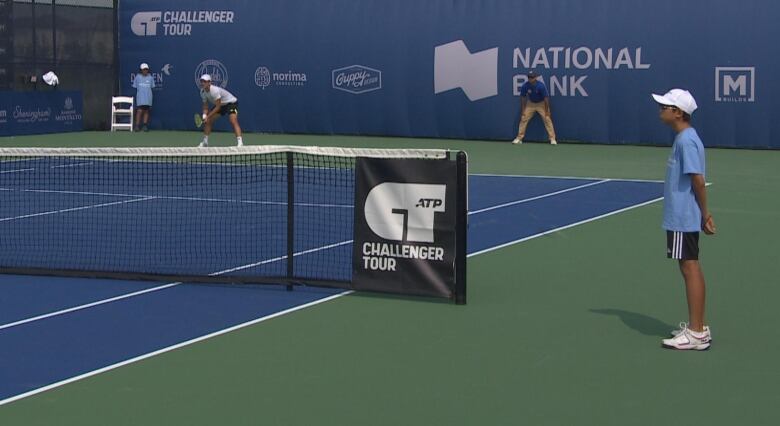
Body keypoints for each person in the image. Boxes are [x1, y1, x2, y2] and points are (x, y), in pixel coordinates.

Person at [652, 88, 716, 351]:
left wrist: (705, 214)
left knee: (689, 268)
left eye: (665, 106)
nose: (661, 110)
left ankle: (697, 332)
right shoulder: (684, 138)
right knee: (689, 267)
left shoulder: (686, 141)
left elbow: (698, 181)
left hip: (684, 216)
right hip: (682, 216)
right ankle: (697, 326)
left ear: (677, 113)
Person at [512, 71, 557, 145]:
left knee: (547, 119)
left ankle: (552, 139)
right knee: (523, 118)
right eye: (529, 77)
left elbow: (546, 98)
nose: (530, 79)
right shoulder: (525, 86)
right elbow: (523, 98)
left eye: (532, 77)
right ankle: (519, 138)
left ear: (536, 77)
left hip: (541, 103)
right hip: (531, 103)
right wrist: (523, 110)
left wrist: (547, 110)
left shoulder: (541, 86)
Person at [198, 74, 243, 147]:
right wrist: (204, 115)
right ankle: (205, 142)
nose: (202, 83)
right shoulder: (202, 92)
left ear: (209, 83)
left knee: (233, 120)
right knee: (208, 121)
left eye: (204, 81)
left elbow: (218, 107)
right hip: (221, 105)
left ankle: (240, 142)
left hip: (231, 103)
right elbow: (205, 105)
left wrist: (208, 116)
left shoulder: (214, 91)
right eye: (201, 81)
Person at [132, 63, 155, 132]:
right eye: (144, 69)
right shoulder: (137, 77)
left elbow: (152, 86)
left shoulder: (150, 78)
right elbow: (135, 86)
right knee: (139, 111)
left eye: (146, 69)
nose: (145, 71)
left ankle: (145, 125)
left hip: (148, 98)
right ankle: (137, 126)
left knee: (146, 111)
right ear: (141, 70)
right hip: (140, 98)